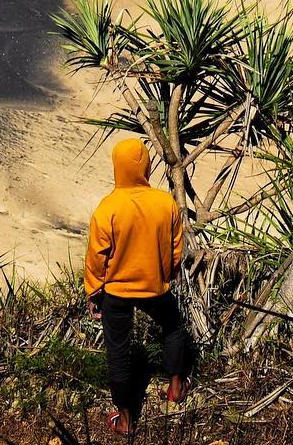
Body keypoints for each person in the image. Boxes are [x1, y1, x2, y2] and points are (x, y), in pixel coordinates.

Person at [84, 139, 191, 436]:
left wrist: (94, 292)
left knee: (118, 351)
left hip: (116, 293)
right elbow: (175, 250)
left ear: (117, 166)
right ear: (145, 166)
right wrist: (165, 275)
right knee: (173, 327)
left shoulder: (108, 208)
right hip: (155, 286)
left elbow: (96, 257)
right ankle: (176, 387)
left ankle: (126, 420)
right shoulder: (165, 203)